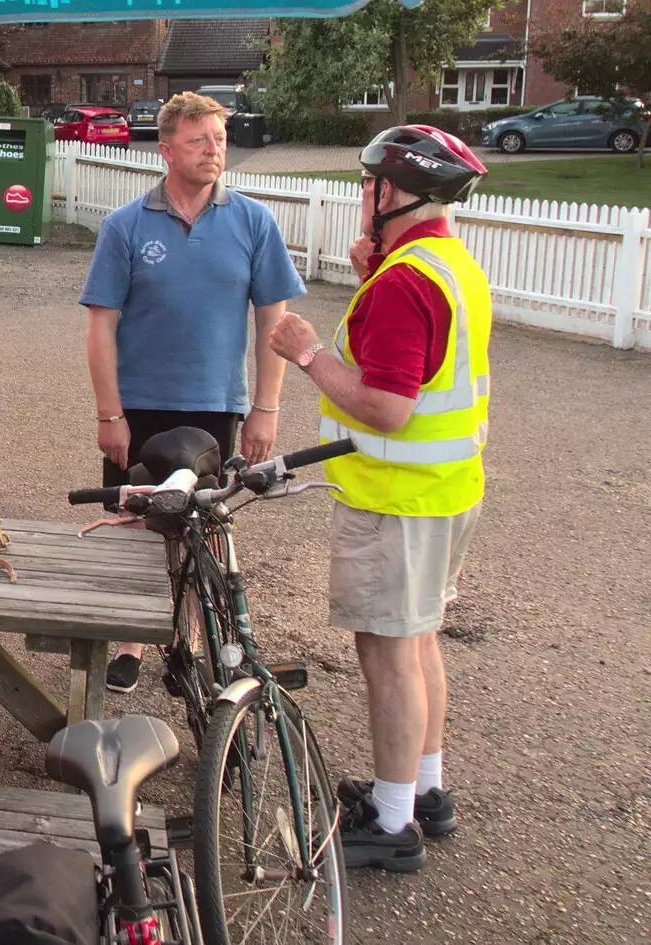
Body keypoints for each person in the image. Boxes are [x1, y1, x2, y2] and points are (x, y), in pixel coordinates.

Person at [269, 125, 490, 873]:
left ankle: (393, 824)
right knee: (418, 638)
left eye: (368, 184)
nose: (363, 195)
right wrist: (375, 270)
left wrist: (307, 352)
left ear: (389, 193)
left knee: (388, 650)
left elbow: (388, 405)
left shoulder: (405, 284)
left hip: (398, 500)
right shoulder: (445, 263)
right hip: (444, 490)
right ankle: (424, 791)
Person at [79, 91, 305, 693]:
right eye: (199, 140)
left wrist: (266, 406)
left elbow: (274, 323)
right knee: (135, 519)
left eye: (220, 140)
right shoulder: (126, 225)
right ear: (167, 148)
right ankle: (130, 641)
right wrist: (110, 413)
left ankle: (190, 642)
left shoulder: (253, 221)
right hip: (141, 403)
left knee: (203, 524)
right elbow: (101, 326)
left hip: (215, 403)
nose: (214, 151)